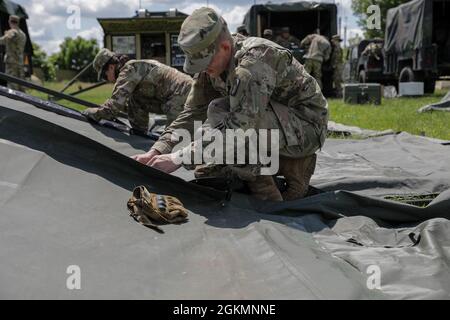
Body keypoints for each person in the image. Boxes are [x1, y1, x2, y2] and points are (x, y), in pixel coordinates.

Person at [133, 8, 329, 202]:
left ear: (225, 48)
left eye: (205, 64)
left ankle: (272, 187)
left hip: (307, 127)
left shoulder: (254, 62)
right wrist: (158, 150)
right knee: (217, 115)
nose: (204, 70)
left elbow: (239, 128)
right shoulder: (212, 63)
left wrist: (179, 158)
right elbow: (192, 112)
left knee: (224, 116)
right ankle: (242, 164)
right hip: (275, 121)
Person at [82, 49, 193, 133]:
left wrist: (91, 112)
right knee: (134, 100)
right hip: (182, 93)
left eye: (104, 76)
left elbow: (114, 107)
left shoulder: (128, 70)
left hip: (181, 95)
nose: (106, 80)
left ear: (111, 67)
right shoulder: (133, 67)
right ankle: (141, 134)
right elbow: (129, 104)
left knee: (171, 143)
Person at [0, 15, 27, 91]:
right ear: (18, 22)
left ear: (10, 21)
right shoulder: (23, 34)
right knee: (21, 85)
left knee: (12, 85)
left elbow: (4, 40)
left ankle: (13, 102)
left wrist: (6, 35)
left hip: (11, 62)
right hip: (20, 62)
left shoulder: (12, 31)